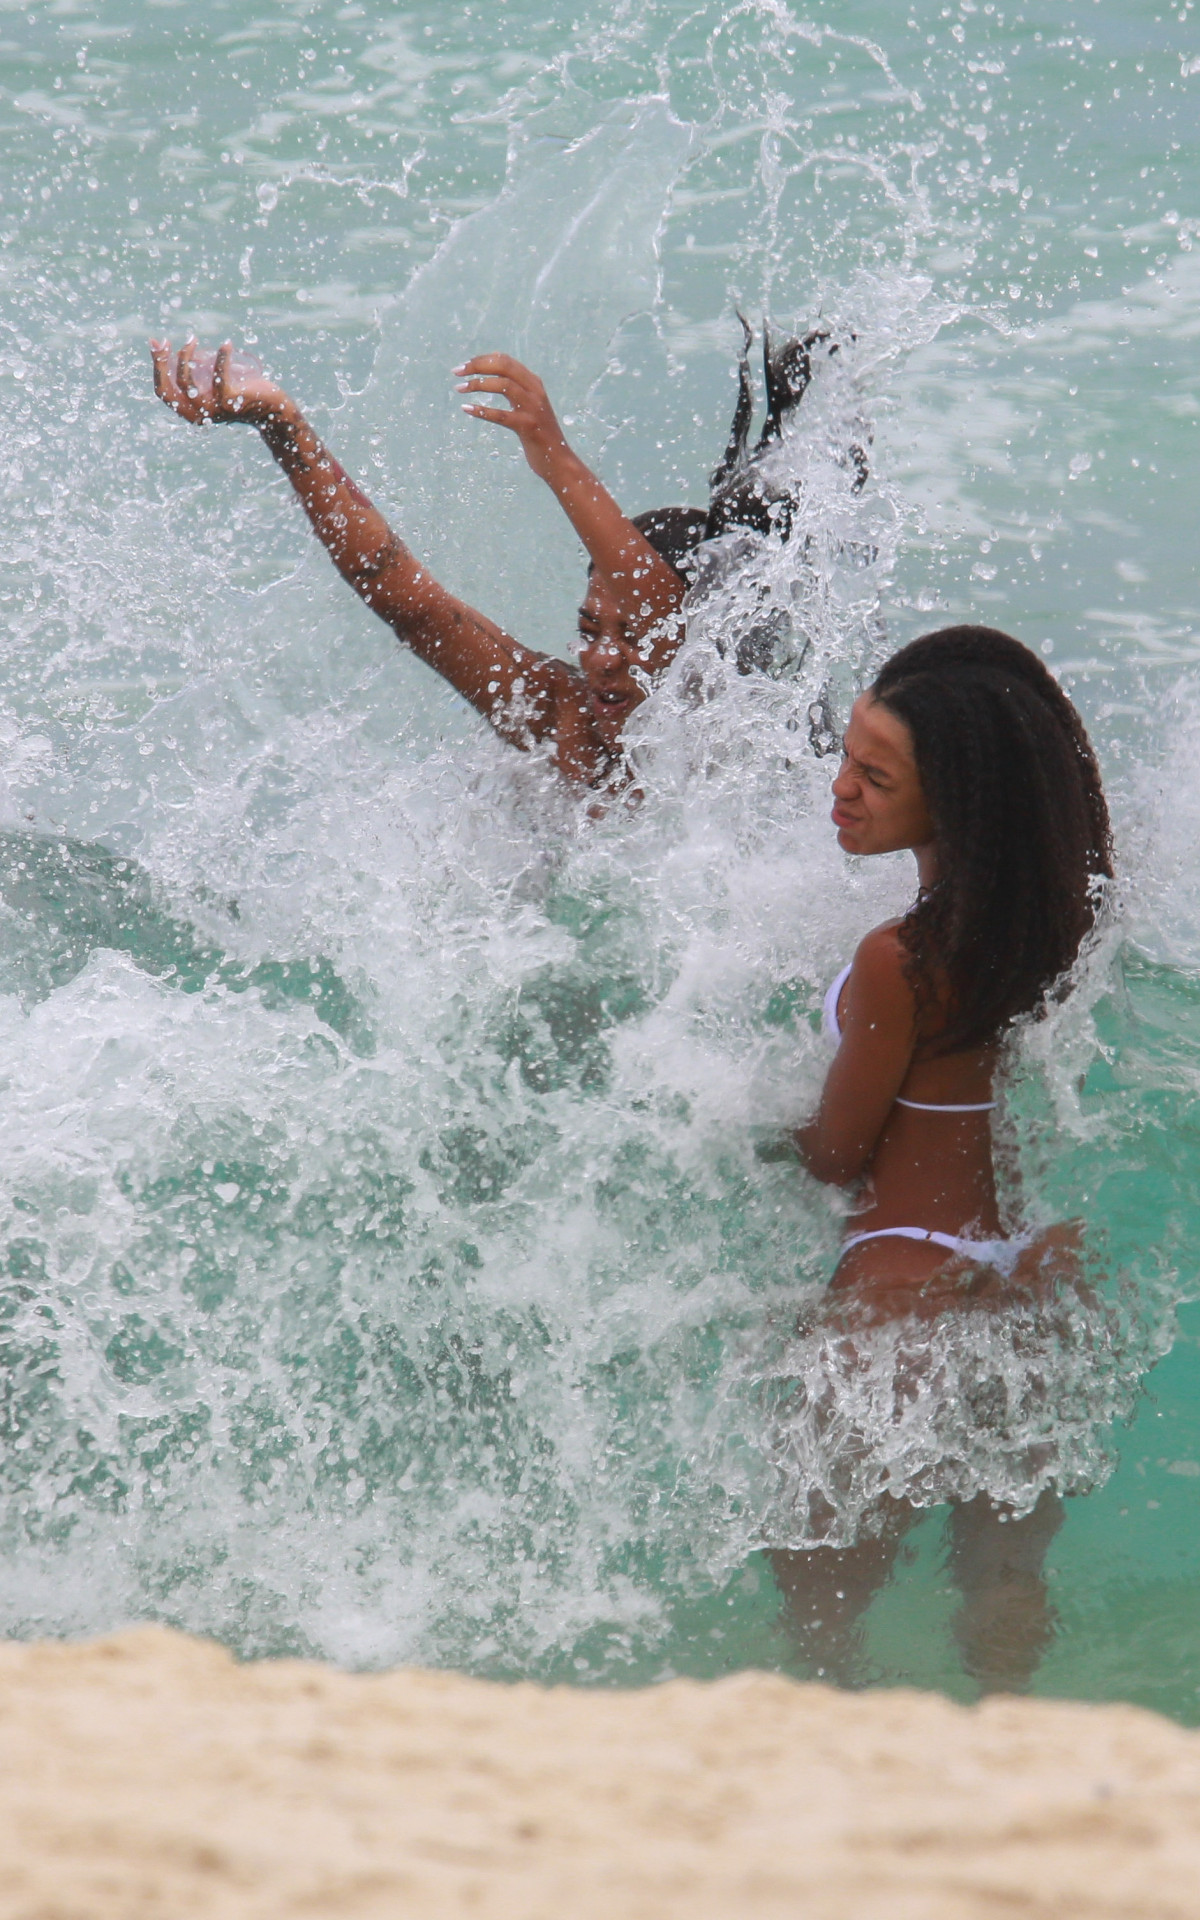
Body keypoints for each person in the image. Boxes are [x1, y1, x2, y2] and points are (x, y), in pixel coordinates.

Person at [769, 624, 1114, 1690]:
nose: (841, 788)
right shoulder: (1055, 922)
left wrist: (742, 1127)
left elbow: (837, 1156)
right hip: (1023, 1289)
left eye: (876, 777)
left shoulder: (897, 959)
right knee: (1005, 1603)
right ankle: (1009, 1762)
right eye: (846, 755)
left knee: (819, 1610)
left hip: (898, 1302)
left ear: (955, 805)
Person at [150, 339, 707, 790]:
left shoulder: (729, 752)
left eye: (632, 636)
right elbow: (411, 605)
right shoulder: (560, 719)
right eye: (589, 631)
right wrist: (281, 422)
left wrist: (557, 458)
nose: (602, 659)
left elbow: (659, 605)